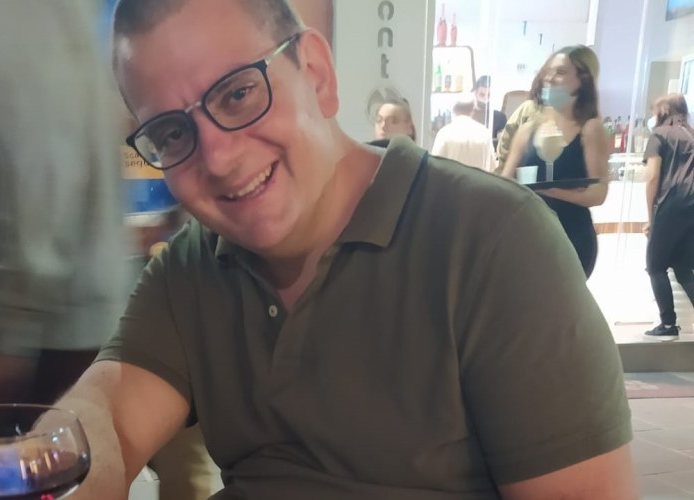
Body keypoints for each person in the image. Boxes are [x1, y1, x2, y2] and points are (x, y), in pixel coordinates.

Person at [58, 1, 636, 498]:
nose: (218, 158)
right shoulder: (195, 263)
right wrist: (51, 459)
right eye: (172, 133)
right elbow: (108, 412)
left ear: (316, 74)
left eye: (237, 94)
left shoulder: (493, 241)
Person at [0, 0, 127, 406]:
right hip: (73, 306)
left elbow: (47, 149)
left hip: (51, 328)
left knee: (46, 442)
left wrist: (13, 325)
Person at [502, 45, 610, 278]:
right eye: (548, 71)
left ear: (582, 80)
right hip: (529, 236)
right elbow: (505, 182)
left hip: (571, 237)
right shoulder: (528, 129)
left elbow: (599, 192)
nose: (550, 78)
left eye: (560, 72)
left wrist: (552, 191)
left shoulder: (590, 129)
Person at [642, 93, 694, 339]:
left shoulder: (659, 135)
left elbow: (653, 176)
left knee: (655, 265)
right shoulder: (691, 134)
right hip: (691, 207)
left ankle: (668, 324)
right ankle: (669, 324)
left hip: (671, 204)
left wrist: (651, 218)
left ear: (663, 111)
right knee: (683, 267)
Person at [431, 94, 497, 171]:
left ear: (453, 110)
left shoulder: (444, 133)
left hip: (452, 178)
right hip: (478, 179)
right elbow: (493, 167)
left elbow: (435, 166)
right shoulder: (484, 133)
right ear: (473, 110)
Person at [471, 75, 507, 146]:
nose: (485, 99)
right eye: (482, 95)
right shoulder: (467, 115)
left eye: (489, 95)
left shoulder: (500, 117)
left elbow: (501, 144)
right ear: (475, 94)